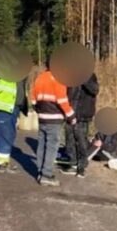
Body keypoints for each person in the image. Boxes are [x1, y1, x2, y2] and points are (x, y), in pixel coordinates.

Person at [31, 58, 76, 186]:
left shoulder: (40, 77)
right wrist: (71, 116)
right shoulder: (59, 79)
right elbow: (63, 101)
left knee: (42, 145)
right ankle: (47, 174)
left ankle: (41, 171)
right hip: (54, 118)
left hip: (42, 117)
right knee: (52, 146)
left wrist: (39, 111)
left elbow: (33, 99)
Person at [0, 62, 27, 173]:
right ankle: (1, 164)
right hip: (3, 107)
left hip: (14, 108)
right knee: (4, 135)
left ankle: (4, 161)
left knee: (10, 134)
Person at [61, 72, 99, 178]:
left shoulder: (90, 75)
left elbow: (95, 90)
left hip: (83, 113)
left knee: (81, 140)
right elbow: (67, 92)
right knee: (69, 138)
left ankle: (82, 166)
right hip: (71, 112)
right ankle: (72, 163)